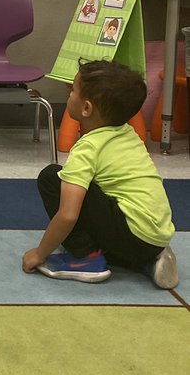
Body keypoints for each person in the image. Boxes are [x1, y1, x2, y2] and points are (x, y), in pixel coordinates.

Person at [23, 60, 178, 287]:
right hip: (156, 237)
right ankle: (147, 260)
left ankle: (87, 259)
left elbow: (68, 214)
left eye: (73, 90)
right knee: (106, 197)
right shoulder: (129, 134)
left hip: (131, 233)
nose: (69, 94)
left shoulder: (88, 148)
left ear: (86, 108)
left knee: (51, 177)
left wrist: (39, 253)